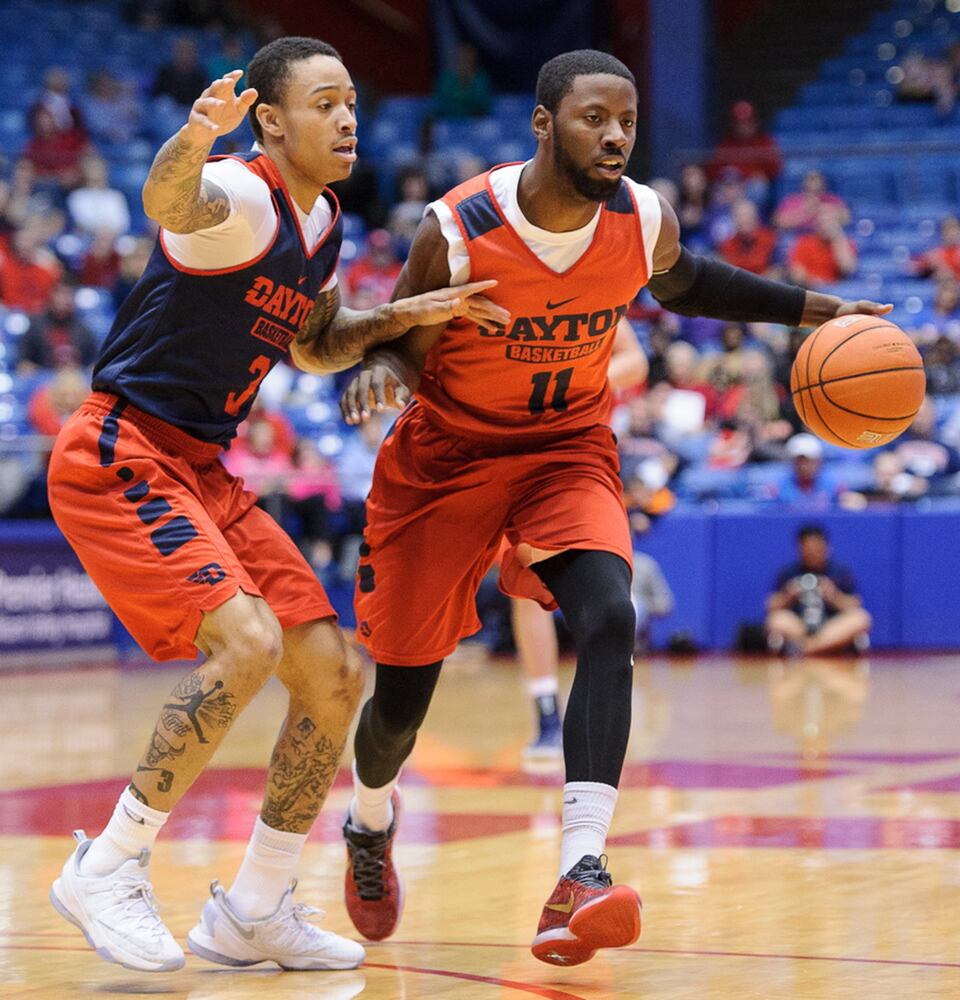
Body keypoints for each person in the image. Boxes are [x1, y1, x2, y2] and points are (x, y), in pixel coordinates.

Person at [323, 49, 891, 966]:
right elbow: (400, 343)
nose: (617, 135)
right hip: (446, 461)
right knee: (400, 702)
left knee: (609, 613)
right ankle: (368, 817)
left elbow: (691, 281)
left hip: (565, 451)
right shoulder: (458, 226)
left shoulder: (641, 216)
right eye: (594, 117)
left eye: (626, 119)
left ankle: (579, 869)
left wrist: (817, 312)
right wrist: (378, 375)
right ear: (545, 124)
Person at [46, 36, 505, 976]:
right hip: (122, 447)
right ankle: (111, 862)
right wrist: (193, 137)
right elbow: (169, 202)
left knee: (333, 671)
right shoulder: (239, 192)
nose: (347, 119)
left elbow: (316, 342)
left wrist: (405, 321)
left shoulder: (323, 219)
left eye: (352, 104)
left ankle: (256, 907)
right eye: (325, 103)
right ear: (270, 119)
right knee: (247, 644)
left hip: (202, 467)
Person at [513, 316, 649, 765]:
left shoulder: (596, 288)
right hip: (506, 449)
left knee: (594, 594)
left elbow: (635, 361)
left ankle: (578, 716)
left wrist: (579, 380)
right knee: (522, 589)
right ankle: (546, 710)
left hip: (576, 456)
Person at [765, 524, 871, 655]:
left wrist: (834, 596)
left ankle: (808, 649)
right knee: (776, 620)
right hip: (799, 626)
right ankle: (819, 648)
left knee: (861, 618)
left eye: (817, 547)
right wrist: (789, 595)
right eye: (807, 547)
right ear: (799, 548)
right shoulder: (789, 572)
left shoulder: (839, 572)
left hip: (830, 627)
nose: (812, 552)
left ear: (826, 547)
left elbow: (855, 604)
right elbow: (771, 606)